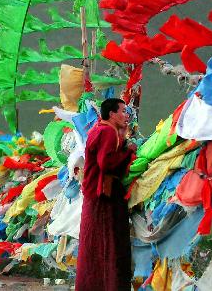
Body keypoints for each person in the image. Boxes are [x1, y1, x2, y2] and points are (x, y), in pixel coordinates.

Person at [75, 98, 135, 291]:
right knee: (109, 244)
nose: (126, 115)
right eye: (123, 111)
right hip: (103, 198)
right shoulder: (108, 132)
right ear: (111, 114)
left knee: (94, 246)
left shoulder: (99, 129)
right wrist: (129, 152)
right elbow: (106, 163)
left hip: (95, 196)